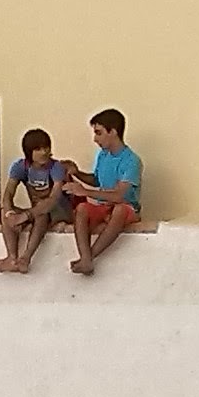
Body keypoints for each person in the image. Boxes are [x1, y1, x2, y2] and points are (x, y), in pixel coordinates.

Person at [65, 108, 142, 276]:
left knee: (119, 209)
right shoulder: (102, 155)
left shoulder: (132, 160)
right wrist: (76, 173)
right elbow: (97, 181)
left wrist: (85, 191)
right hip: (104, 207)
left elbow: (119, 196)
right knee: (82, 209)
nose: (95, 139)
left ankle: (88, 258)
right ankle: (85, 258)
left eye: (99, 133)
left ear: (113, 132)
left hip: (126, 208)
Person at [0, 127, 73, 273]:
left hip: (58, 211)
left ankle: (26, 258)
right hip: (35, 211)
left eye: (46, 148)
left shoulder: (56, 167)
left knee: (41, 213)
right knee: (5, 212)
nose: (44, 152)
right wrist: (10, 213)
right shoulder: (21, 166)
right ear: (29, 152)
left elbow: (53, 198)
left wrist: (26, 215)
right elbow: (8, 194)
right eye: (38, 149)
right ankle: (12, 258)